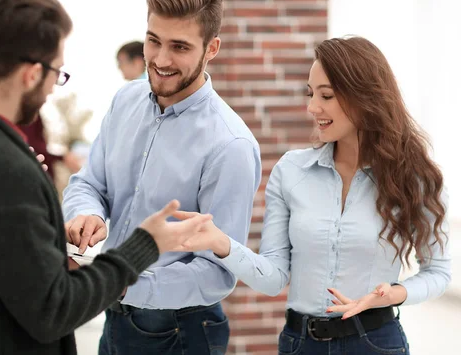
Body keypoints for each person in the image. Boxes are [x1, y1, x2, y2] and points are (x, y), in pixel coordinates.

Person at [0, 0, 212, 355]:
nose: (53, 90)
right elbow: (55, 309)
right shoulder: (5, 171)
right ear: (31, 74)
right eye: (57, 73)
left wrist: (44, 247)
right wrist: (145, 245)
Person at [174, 36, 452, 354]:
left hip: (375, 342)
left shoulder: (414, 180)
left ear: (365, 97)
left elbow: (438, 272)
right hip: (300, 343)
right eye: (311, 93)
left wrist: (394, 293)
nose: (312, 107)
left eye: (327, 95)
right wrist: (219, 243)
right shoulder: (291, 171)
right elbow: (274, 277)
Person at [62, 0, 262, 355]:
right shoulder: (125, 101)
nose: (161, 59)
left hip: (178, 331)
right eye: (154, 40)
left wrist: (122, 283)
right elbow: (88, 183)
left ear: (212, 48)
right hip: (116, 315)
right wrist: (86, 213)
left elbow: (217, 273)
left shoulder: (230, 146)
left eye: (180, 47)